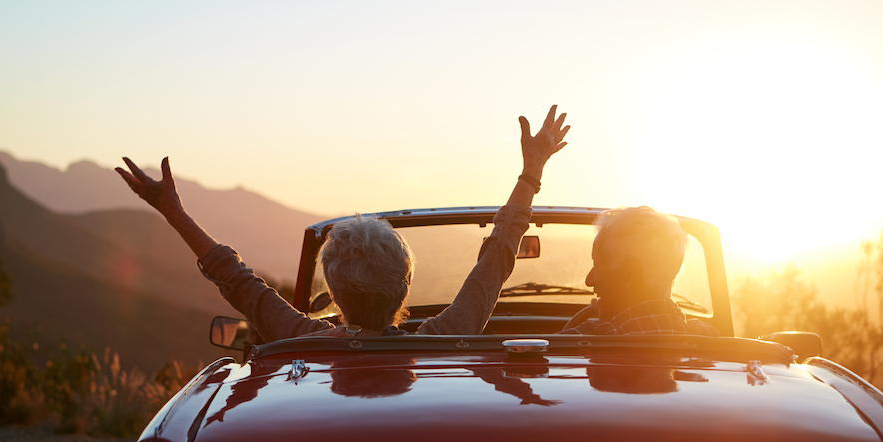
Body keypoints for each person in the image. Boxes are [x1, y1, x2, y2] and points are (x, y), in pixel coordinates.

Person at [116, 106, 569, 341]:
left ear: (332, 292)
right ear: (405, 282)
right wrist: (531, 173)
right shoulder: (445, 337)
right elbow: (498, 257)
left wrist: (173, 213)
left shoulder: (305, 339)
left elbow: (235, 279)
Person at [561, 206, 719, 336]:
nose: (589, 280)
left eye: (598, 264)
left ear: (629, 273)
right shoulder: (709, 339)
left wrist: (605, 323)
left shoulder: (581, 339)